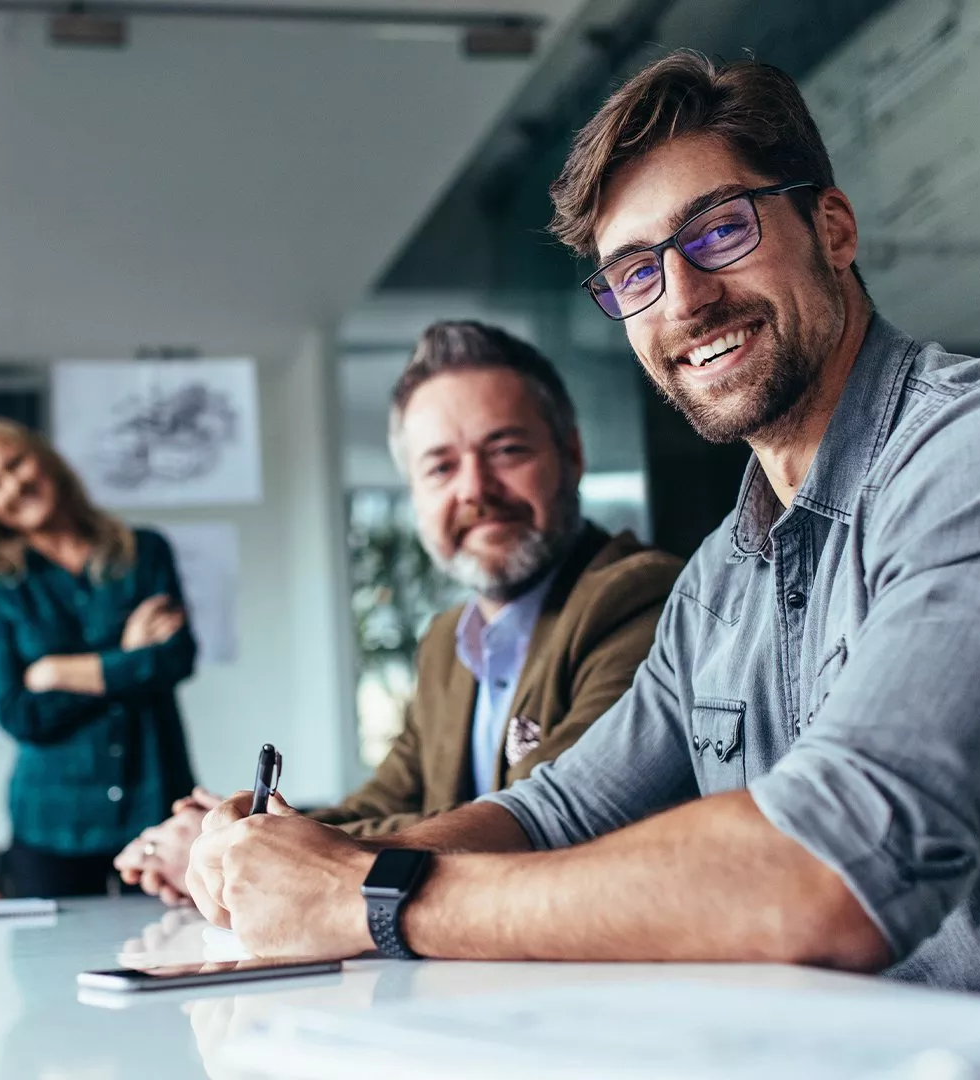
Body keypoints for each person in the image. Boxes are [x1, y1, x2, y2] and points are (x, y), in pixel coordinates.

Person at [184, 51, 980, 994]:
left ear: (832, 227)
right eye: (635, 273)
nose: (685, 298)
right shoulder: (719, 581)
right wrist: (301, 863)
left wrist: (375, 897)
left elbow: (831, 872)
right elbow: (555, 813)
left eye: (720, 231)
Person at [116, 321, 683, 904]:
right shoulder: (447, 642)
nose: (474, 489)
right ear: (414, 492)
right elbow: (387, 801)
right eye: (440, 467)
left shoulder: (636, 597)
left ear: (572, 455)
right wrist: (240, 837)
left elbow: (540, 817)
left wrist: (254, 850)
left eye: (507, 450)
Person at [0, 418, 197, 898]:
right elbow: (19, 713)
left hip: (155, 802)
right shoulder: (1, 595)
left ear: (43, 458)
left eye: (15, 463)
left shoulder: (145, 552)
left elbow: (175, 659)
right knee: (50, 969)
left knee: (175, 953)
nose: (13, 485)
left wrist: (58, 671)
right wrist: (126, 656)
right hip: (52, 824)